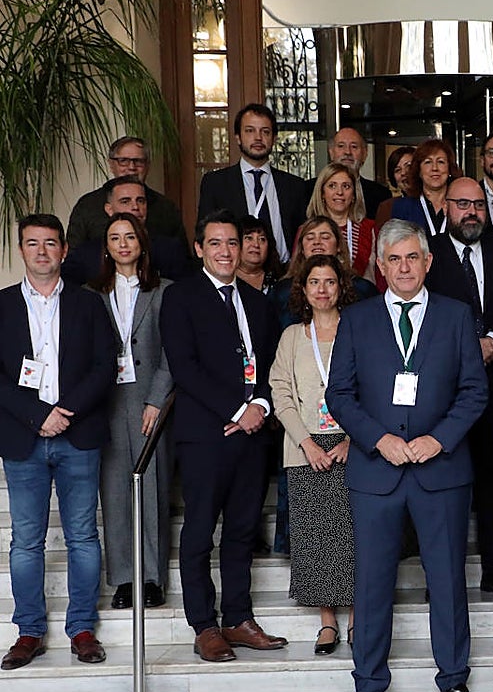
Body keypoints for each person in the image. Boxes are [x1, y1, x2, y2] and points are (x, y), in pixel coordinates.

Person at [326, 219, 489, 692]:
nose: (403, 267)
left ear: (428, 262)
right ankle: (368, 686)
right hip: (376, 471)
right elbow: (340, 394)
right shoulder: (357, 319)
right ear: (380, 266)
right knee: (372, 582)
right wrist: (380, 439)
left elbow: (473, 391)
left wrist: (436, 439)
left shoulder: (458, 316)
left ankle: (454, 681)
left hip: (440, 470)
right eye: (393, 259)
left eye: (412, 258)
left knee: (446, 580)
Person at [161, 210, 286, 663]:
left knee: (241, 531)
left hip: (252, 437)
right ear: (199, 249)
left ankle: (238, 617)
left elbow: (274, 364)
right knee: (198, 532)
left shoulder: (257, 301)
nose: (225, 251)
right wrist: (237, 410)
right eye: (215, 243)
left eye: (232, 243)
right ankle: (205, 624)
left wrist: (262, 407)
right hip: (205, 436)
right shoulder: (180, 298)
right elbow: (184, 367)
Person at [0, 214, 115, 670]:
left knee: (83, 535)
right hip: (22, 437)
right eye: (33, 244)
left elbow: (105, 366)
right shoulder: (3, 305)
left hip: (78, 433)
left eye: (51, 243)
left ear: (64, 250)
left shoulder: (89, 305)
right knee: (26, 541)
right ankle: (28, 632)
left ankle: (82, 629)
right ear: (21, 251)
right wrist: (36, 415)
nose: (42, 251)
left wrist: (63, 413)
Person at [426, 178, 493, 598]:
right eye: (462, 204)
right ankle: (441, 577)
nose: (471, 212)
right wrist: (469, 347)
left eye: (478, 205)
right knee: (443, 483)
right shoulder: (428, 251)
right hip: (444, 388)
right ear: (446, 208)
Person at [268, 255, 358, 656]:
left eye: (330, 282)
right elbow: (280, 393)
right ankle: (327, 622)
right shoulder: (292, 337)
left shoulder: (358, 329)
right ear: (302, 290)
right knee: (316, 537)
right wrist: (306, 443)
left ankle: (358, 618)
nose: (322, 290)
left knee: (355, 534)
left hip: (353, 444)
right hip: (305, 446)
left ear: (341, 287)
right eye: (314, 282)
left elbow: (372, 388)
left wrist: (353, 441)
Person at [91, 213, 174, 611]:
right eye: (114, 237)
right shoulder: (92, 294)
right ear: (106, 246)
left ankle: (152, 578)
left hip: (149, 402)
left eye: (129, 236)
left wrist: (156, 400)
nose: (123, 244)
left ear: (142, 241)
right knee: (114, 490)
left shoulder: (164, 291)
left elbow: (172, 354)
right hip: (106, 402)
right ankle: (124, 578)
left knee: (152, 488)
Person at [197, 103, 308, 262]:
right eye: (250, 131)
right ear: (238, 137)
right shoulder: (215, 184)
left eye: (265, 132)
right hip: (235, 273)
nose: (258, 137)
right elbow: (205, 235)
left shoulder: (294, 186)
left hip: (285, 276)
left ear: (274, 138)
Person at [62, 176, 192, 285]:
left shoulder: (170, 250)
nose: (135, 207)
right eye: (125, 201)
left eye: (141, 201)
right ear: (109, 209)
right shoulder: (87, 253)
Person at [67, 136, 186, 250]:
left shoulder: (166, 207)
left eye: (138, 161)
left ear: (147, 165)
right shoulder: (88, 205)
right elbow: (74, 254)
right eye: (123, 161)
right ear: (111, 164)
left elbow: (182, 256)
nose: (131, 167)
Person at [269, 216, 379, 328]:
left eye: (325, 237)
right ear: (302, 248)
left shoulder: (363, 289)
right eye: (310, 238)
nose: (317, 242)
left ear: (339, 246)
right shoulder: (281, 291)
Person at [306, 163, 374, 281]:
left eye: (346, 186)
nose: (339, 192)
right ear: (322, 193)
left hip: (362, 296)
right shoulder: (307, 230)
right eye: (332, 186)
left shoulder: (370, 229)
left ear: (354, 194)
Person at [390, 138, 460, 240]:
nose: (434, 168)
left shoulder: (461, 205)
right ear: (418, 170)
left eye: (441, 162)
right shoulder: (402, 207)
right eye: (428, 162)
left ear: (449, 168)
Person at [314, 126, 391, 217]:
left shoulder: (381, 195)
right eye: (341, 146)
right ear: (331, 152)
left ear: (365, 154)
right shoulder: (308, 190)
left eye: (354, 147)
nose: (347, 152)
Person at [235, 215, 285, 293]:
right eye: (249, 238)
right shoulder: (226, 280)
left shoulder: (280, 281)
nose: (256, 245)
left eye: (262, 239)